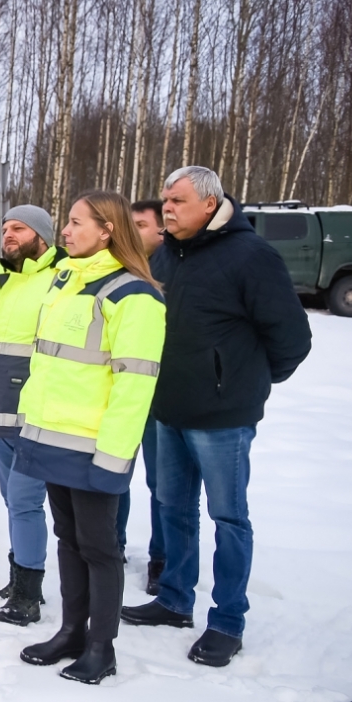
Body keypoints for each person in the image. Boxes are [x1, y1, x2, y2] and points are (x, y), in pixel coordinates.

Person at [120, 166, 311, 667]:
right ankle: (174, 600)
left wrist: (241, 383)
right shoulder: (165, 255)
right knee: (172, 509)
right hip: (168, 408)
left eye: (177, 201)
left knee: (228, 518)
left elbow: (292, 338)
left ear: (210, 204)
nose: (167, 208)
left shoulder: (251, 256)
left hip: (223, 418)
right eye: (165, 200)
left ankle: (227, 622)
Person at [14, 191, 166, 685]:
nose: (66, 230)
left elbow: (134, 385)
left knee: (100, 548)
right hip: (51, 435)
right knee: (68, 540)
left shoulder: (134, 295)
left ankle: (102, 647)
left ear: (107, 230)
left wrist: (114, 455)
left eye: (77, 222)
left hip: (95, 445)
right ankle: (71, 632)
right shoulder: (66, 279)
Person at [0, 204, 62, 626]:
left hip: (36, 405)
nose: (8, 234)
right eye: (5, 228)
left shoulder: (62, 278)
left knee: (25, 500)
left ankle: (28, 595)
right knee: (11, 498)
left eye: (19, 229)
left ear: (42, 236)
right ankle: (18, 581)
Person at [116, 197, 167, 593]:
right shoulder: (115, 269)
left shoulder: (173, 270)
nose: (132, 232)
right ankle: (110, 546)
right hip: (119, 392)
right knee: (113, 473)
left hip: (162, 398)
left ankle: (161, 559)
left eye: (141, 225)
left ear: (161, 232)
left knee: (163, 485)